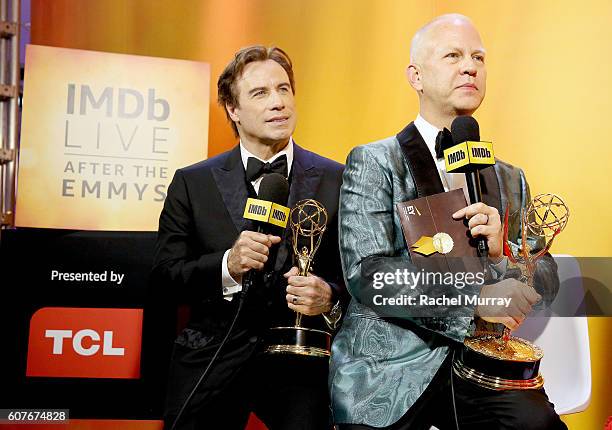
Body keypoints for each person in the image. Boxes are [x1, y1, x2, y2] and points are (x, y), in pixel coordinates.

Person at [329, 14, 567, 430]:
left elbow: (546, 278)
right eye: (453, 55)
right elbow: (368, 275)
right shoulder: (375, 161)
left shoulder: (510, 177)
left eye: (478, 57)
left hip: (484, 363)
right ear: (416, 76)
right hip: (390, 367)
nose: (470, 66)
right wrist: (477, 297)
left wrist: (504, 253)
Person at [153, 45, 345, 430]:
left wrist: (329, 297)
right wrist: (228, 265)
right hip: (214, 352)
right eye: (260, 93)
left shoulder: (338, 179)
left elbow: (363, 276)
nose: (278, 103)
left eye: (284, 89)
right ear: (233, 110)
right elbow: (165, 278)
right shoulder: (193, 183)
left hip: (301, 360)